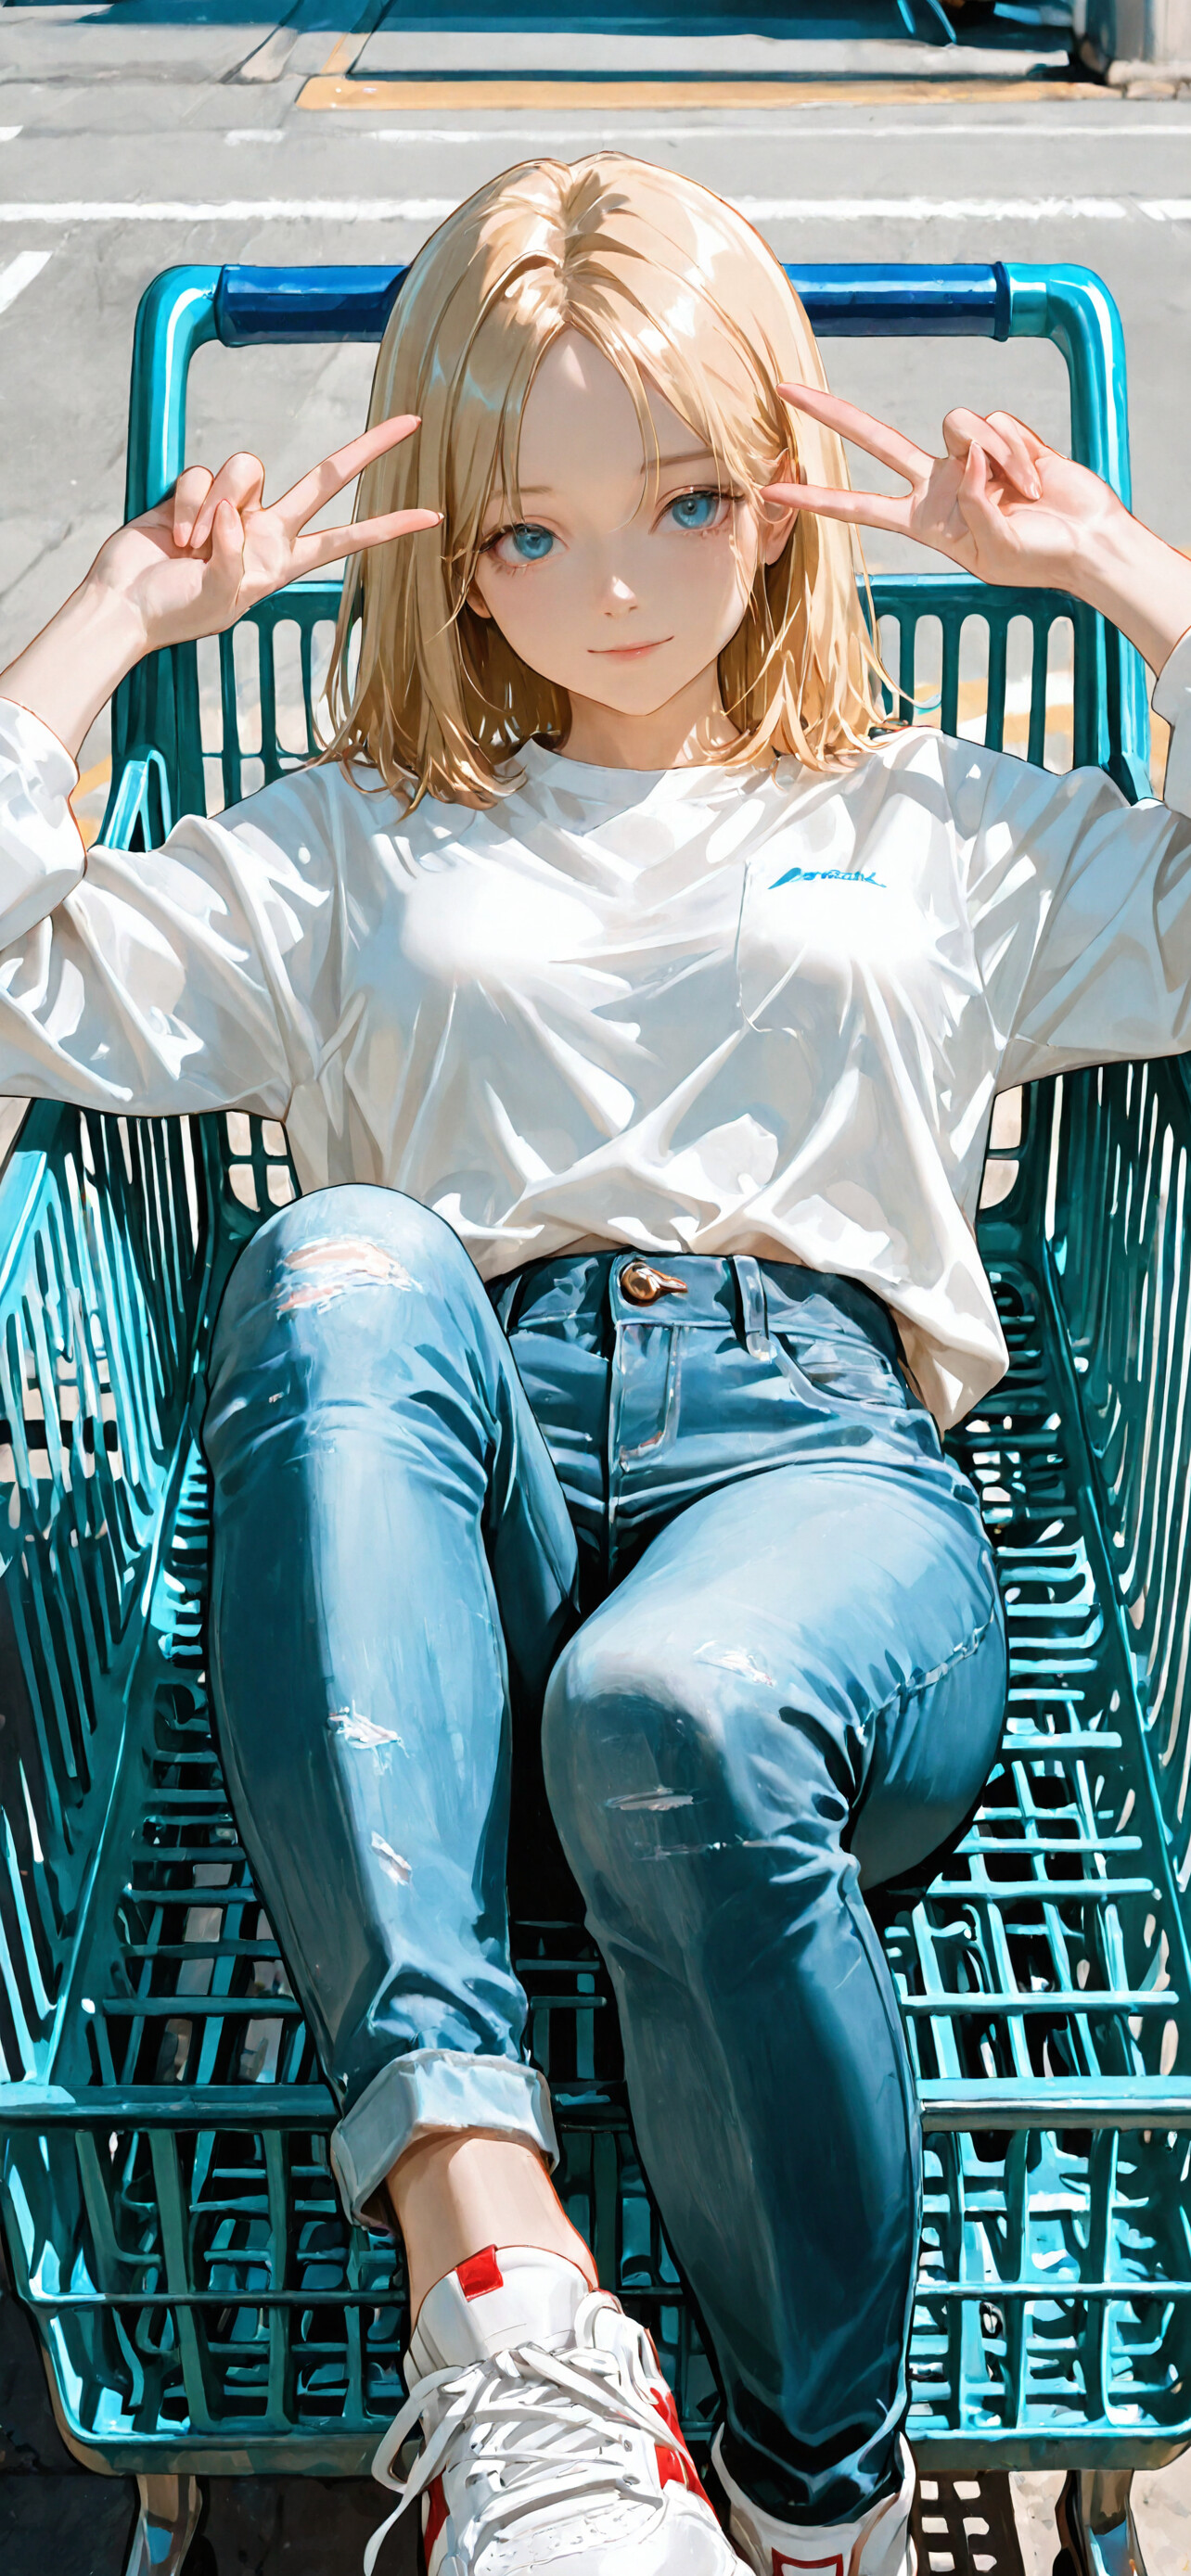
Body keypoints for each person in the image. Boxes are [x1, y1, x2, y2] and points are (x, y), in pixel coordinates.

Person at [1, 151, 1190, 2576]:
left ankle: (808, 2485)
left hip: (821, 1495)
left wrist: (1114, 569)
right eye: (530, 530)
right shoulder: (344, 842)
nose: (617, 583)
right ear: (448, 545)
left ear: (778, 481)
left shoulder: (937, 820)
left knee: (671, 1705)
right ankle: (503, 2284)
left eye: (675, 497)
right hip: (456, 1522)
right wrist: (112, 611)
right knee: (330, 1257)